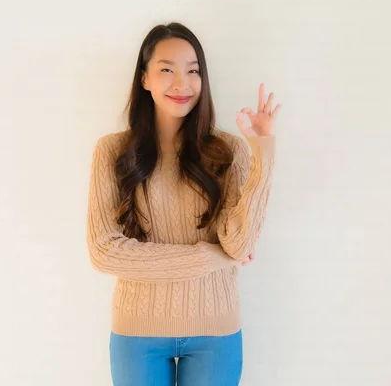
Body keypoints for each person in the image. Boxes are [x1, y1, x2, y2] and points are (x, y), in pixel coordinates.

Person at [86, 22, 280, 386]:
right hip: (136, 331)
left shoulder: (227, 151)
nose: (182, 83)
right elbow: (104, 252)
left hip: (215, 330)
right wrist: (210, 257)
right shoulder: (112, 152)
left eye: (193, 71)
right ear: (144, 79)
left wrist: (262, 153)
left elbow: (238, 244)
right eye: (166, 70)